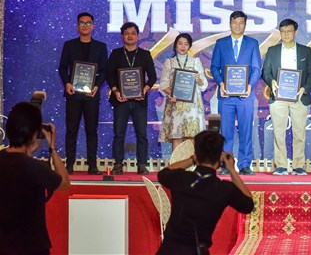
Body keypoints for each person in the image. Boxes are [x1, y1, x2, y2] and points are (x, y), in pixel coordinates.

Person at [157, 131, 254, 255]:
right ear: (219, 159)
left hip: (169, 249)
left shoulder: (181, 178)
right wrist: (232, 170)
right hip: (196, 250)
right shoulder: (223, 188)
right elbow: (248, 204)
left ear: (196, 155)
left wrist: (192, 160)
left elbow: (163, 173)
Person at [0, 102, 70, 255]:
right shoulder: (34, 167)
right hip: (32, 247)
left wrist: (29, 152)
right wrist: (53, 148)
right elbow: (64, 183)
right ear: (33, 134)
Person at [262, 19, 311, 176]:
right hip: (278, 96)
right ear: (280, 32)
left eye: (289, 31)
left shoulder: (305, 51)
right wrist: (272, 82)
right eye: (283, 31)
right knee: (278, 132)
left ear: (295, 32)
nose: (286, 34)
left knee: (299, 132)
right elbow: (265, 71)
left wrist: (304, 88)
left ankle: (299, 165)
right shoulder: (272, 50)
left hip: (299, 96)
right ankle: (280, 165)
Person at [210, 11, 262, 176]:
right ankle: (226, 164)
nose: (238, 25)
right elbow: (214, 67)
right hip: (226, 96)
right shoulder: (221, 43)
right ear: (230, 24)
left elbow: (256, 69)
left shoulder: (252, 44)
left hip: (245, 96)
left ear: (245, 25)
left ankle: (245, 164)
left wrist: (250, 85)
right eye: (235, 22)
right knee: (226, 132)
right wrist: (221, 83)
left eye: (241, 23)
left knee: (246, 131)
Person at [58, 12, 108, 175]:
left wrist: (97, 86)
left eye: (88, 23)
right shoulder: (69, 45)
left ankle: (92, 166)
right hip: (73, 94)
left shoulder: (101, 47)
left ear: (93, 26)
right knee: (71, 130)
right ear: (77, 26)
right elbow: (62, 67)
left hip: (91, 95)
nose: (85, 25)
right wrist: (67, 83)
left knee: (91, 130)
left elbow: (104, 70)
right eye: (82, 23)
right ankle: (69, 164)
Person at [106, 22, 157, 175]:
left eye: (133, 33)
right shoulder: (116, 53)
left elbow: (152, 77)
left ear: (138, 36)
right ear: (122, 36)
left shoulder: (145, 54)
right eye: (126, 33)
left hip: (139, 101)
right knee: (119, 133)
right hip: (120, 100)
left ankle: (142, 164)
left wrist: (144, 90)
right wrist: (115, 91)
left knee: (142, 134)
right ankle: (118, 164)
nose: (130, 36)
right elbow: (109, 74)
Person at [159, 33, 208, 152]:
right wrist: (172, 93)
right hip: (175, 104)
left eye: (186, 44)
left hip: (192, 106)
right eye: (180, 43)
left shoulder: (195, 62)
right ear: (175, 45)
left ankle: (190, 163)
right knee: (176, 136)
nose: (183, 46)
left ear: (189, 46)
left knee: (191, 136)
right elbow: (163, 84)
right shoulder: (169, 62)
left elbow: (204, 85)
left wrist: (199, 80)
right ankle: (177, 163)